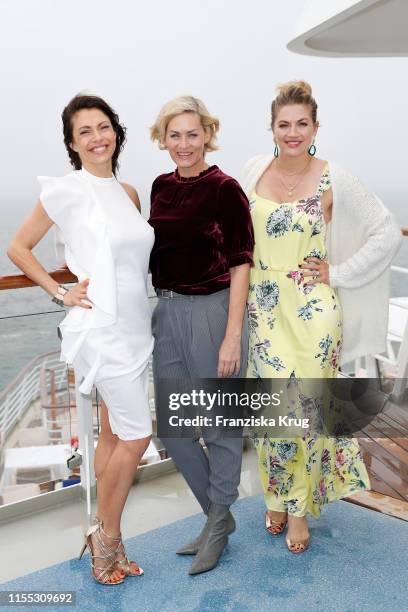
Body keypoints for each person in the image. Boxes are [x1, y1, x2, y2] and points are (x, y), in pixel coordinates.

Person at [242, 81, 401, 553]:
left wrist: (339, 272)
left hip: (313, 312)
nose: (293, 133)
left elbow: (385, 231)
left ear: (315, 127)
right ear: (272, 128)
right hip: (264, 309)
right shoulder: (253, 171)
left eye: (302, 124)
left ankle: (296, 510)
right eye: (283, 124)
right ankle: (277, 494)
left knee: (306, 414)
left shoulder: (335, 176)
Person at [7, 94, 154, 584]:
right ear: (72, 143)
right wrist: (59, 291)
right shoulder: (68, 190)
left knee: (115, 434)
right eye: (84, 131)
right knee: (138, 435)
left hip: (136, 325)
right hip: (102, 330)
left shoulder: (129, 193)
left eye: (103, 126)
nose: (97, 137)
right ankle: (105, 539)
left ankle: (106, 534)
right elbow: (18, 248)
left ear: (117, 131)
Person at [149, 96, 254, 574]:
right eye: (175, 135)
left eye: (193, 134)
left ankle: (216, 520)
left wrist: (232, 336)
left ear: (208, 134)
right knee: (175, 428)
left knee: (220, 425)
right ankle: (218, 516)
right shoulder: (159, 187)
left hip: (213, 313)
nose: (184, 144)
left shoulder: (224, 189)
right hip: (166, 313)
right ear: (162, 138)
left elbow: (239, 265)